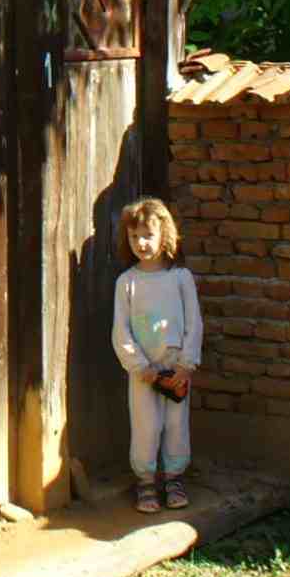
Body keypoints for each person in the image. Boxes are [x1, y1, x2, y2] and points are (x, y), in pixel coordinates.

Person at [112, 196, 202, 513]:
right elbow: (121, 330)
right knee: (146, 426)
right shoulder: (127, 282)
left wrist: (186, 364)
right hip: (144, 372)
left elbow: (194, 322)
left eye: (148, 235)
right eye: (134, 236)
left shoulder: (180, 278)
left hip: (176, 368)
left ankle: (174, 478)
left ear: (164, 234)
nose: (141, 243)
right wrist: (139, 366)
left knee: (176, 425)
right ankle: (146, 481)